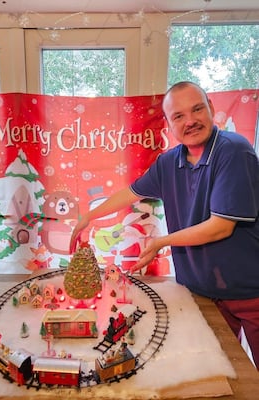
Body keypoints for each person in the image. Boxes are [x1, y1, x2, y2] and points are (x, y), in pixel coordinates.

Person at [69, 81, 259, 368]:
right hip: (203, 292)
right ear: (169, 124)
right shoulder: (168, 163)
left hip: (250, 292)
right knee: (219, 371)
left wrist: (160, 242)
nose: (191, 121)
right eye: (179, 116)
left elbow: (221, 226)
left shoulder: (233, 151)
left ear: (211, 107)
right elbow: (130, 193)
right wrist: (88, 216)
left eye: (197, 109)